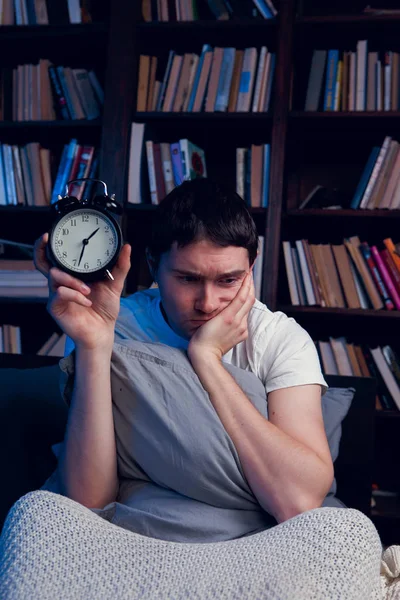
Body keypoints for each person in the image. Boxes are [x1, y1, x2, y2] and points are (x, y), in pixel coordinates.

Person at [34, 177, 333, 534]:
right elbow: (89, 502)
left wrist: (206, 358)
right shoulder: (107, 321)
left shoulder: (281, 339)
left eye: (228, 280)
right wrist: (94, 345)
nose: (207, 304)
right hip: (142, 527)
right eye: (188, 279)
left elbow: (298, 502)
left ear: (251, 269)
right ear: (153, 266)